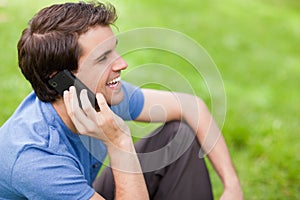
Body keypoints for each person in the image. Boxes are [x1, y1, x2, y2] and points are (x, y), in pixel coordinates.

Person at [0, 1, 243, 200]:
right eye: (102, 58)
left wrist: (232, 186)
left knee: (178, 134)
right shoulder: (34, 157)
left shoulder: (98, 95)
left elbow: (192, 107)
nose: (122, 64)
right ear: (61, 80)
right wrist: (119, 142)